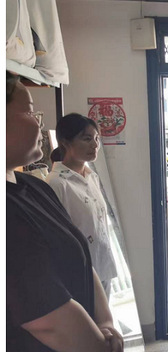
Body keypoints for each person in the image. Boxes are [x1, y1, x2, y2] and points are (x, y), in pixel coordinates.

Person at [6, 71, 125, 352]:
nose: (39, 121)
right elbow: (48, 318)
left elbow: (82, 256)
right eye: (31, 111)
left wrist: (105, 325)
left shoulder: (34, 188)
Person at [46, 113, 118, 300]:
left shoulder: (91, 177)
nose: (95, 145)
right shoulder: (56, 183)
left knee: (104, 316)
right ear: (65, 143)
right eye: (86, 139)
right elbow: (55, 237)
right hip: (78, 273)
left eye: (96, 138)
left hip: (103, 265)